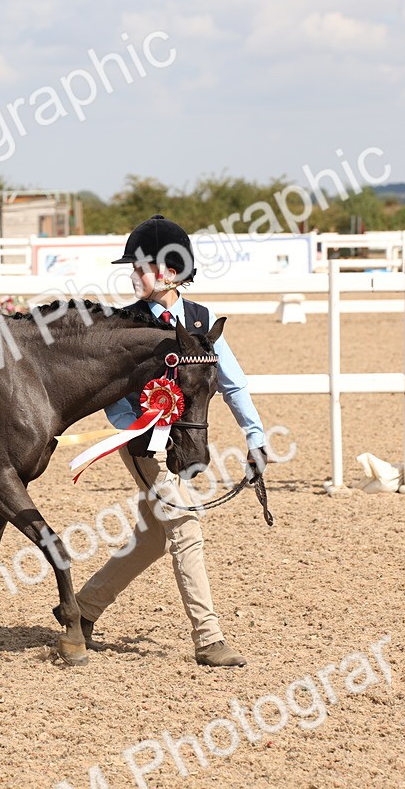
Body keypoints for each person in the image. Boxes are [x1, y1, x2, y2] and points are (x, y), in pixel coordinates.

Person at [71, 214, 270, 668]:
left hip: (183, 441)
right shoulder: (126, 323)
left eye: (141, 267)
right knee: (185, 525)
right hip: (143, 443)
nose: (133, 275)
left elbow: (232, 383)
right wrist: (134, 426)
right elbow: (111, 391)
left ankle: (81, 612)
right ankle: (209, 637)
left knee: (151, 540)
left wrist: (255, 435)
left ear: (171, 271)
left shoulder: (201, 320)